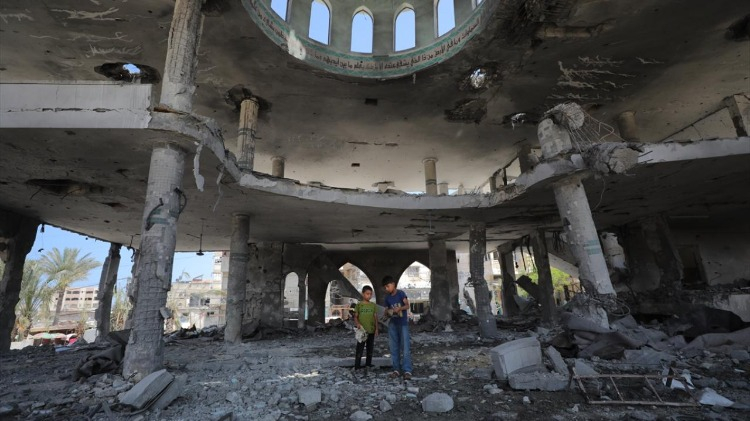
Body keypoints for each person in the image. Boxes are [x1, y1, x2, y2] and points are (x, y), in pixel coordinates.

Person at [382, 276, 412, 380]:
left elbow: (407, 306)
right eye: (385, 287)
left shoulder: (401, 294)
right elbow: (386, 310)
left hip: (402, 323)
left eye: (388, 286)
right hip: (393, 324)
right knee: (394, 347)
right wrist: (387, 313)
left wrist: (400, 308)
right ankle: (396, 370)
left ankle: (407, 370)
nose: (387, 289)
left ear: (393, 284)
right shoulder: (387, 298)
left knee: (405, 347)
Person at [353, 285, 378, 370]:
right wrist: (357, 324)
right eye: (367, 294)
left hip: (371, 330)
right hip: (362, 331)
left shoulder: (373, 305)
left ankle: (368, 364)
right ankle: (357, 366)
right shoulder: (359, 305)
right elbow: (355, 317)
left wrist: (376, 329)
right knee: (359, 348)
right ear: (363, 294)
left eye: (370, 294)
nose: (369, 296)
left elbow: (375, 317)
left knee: (370, 348)